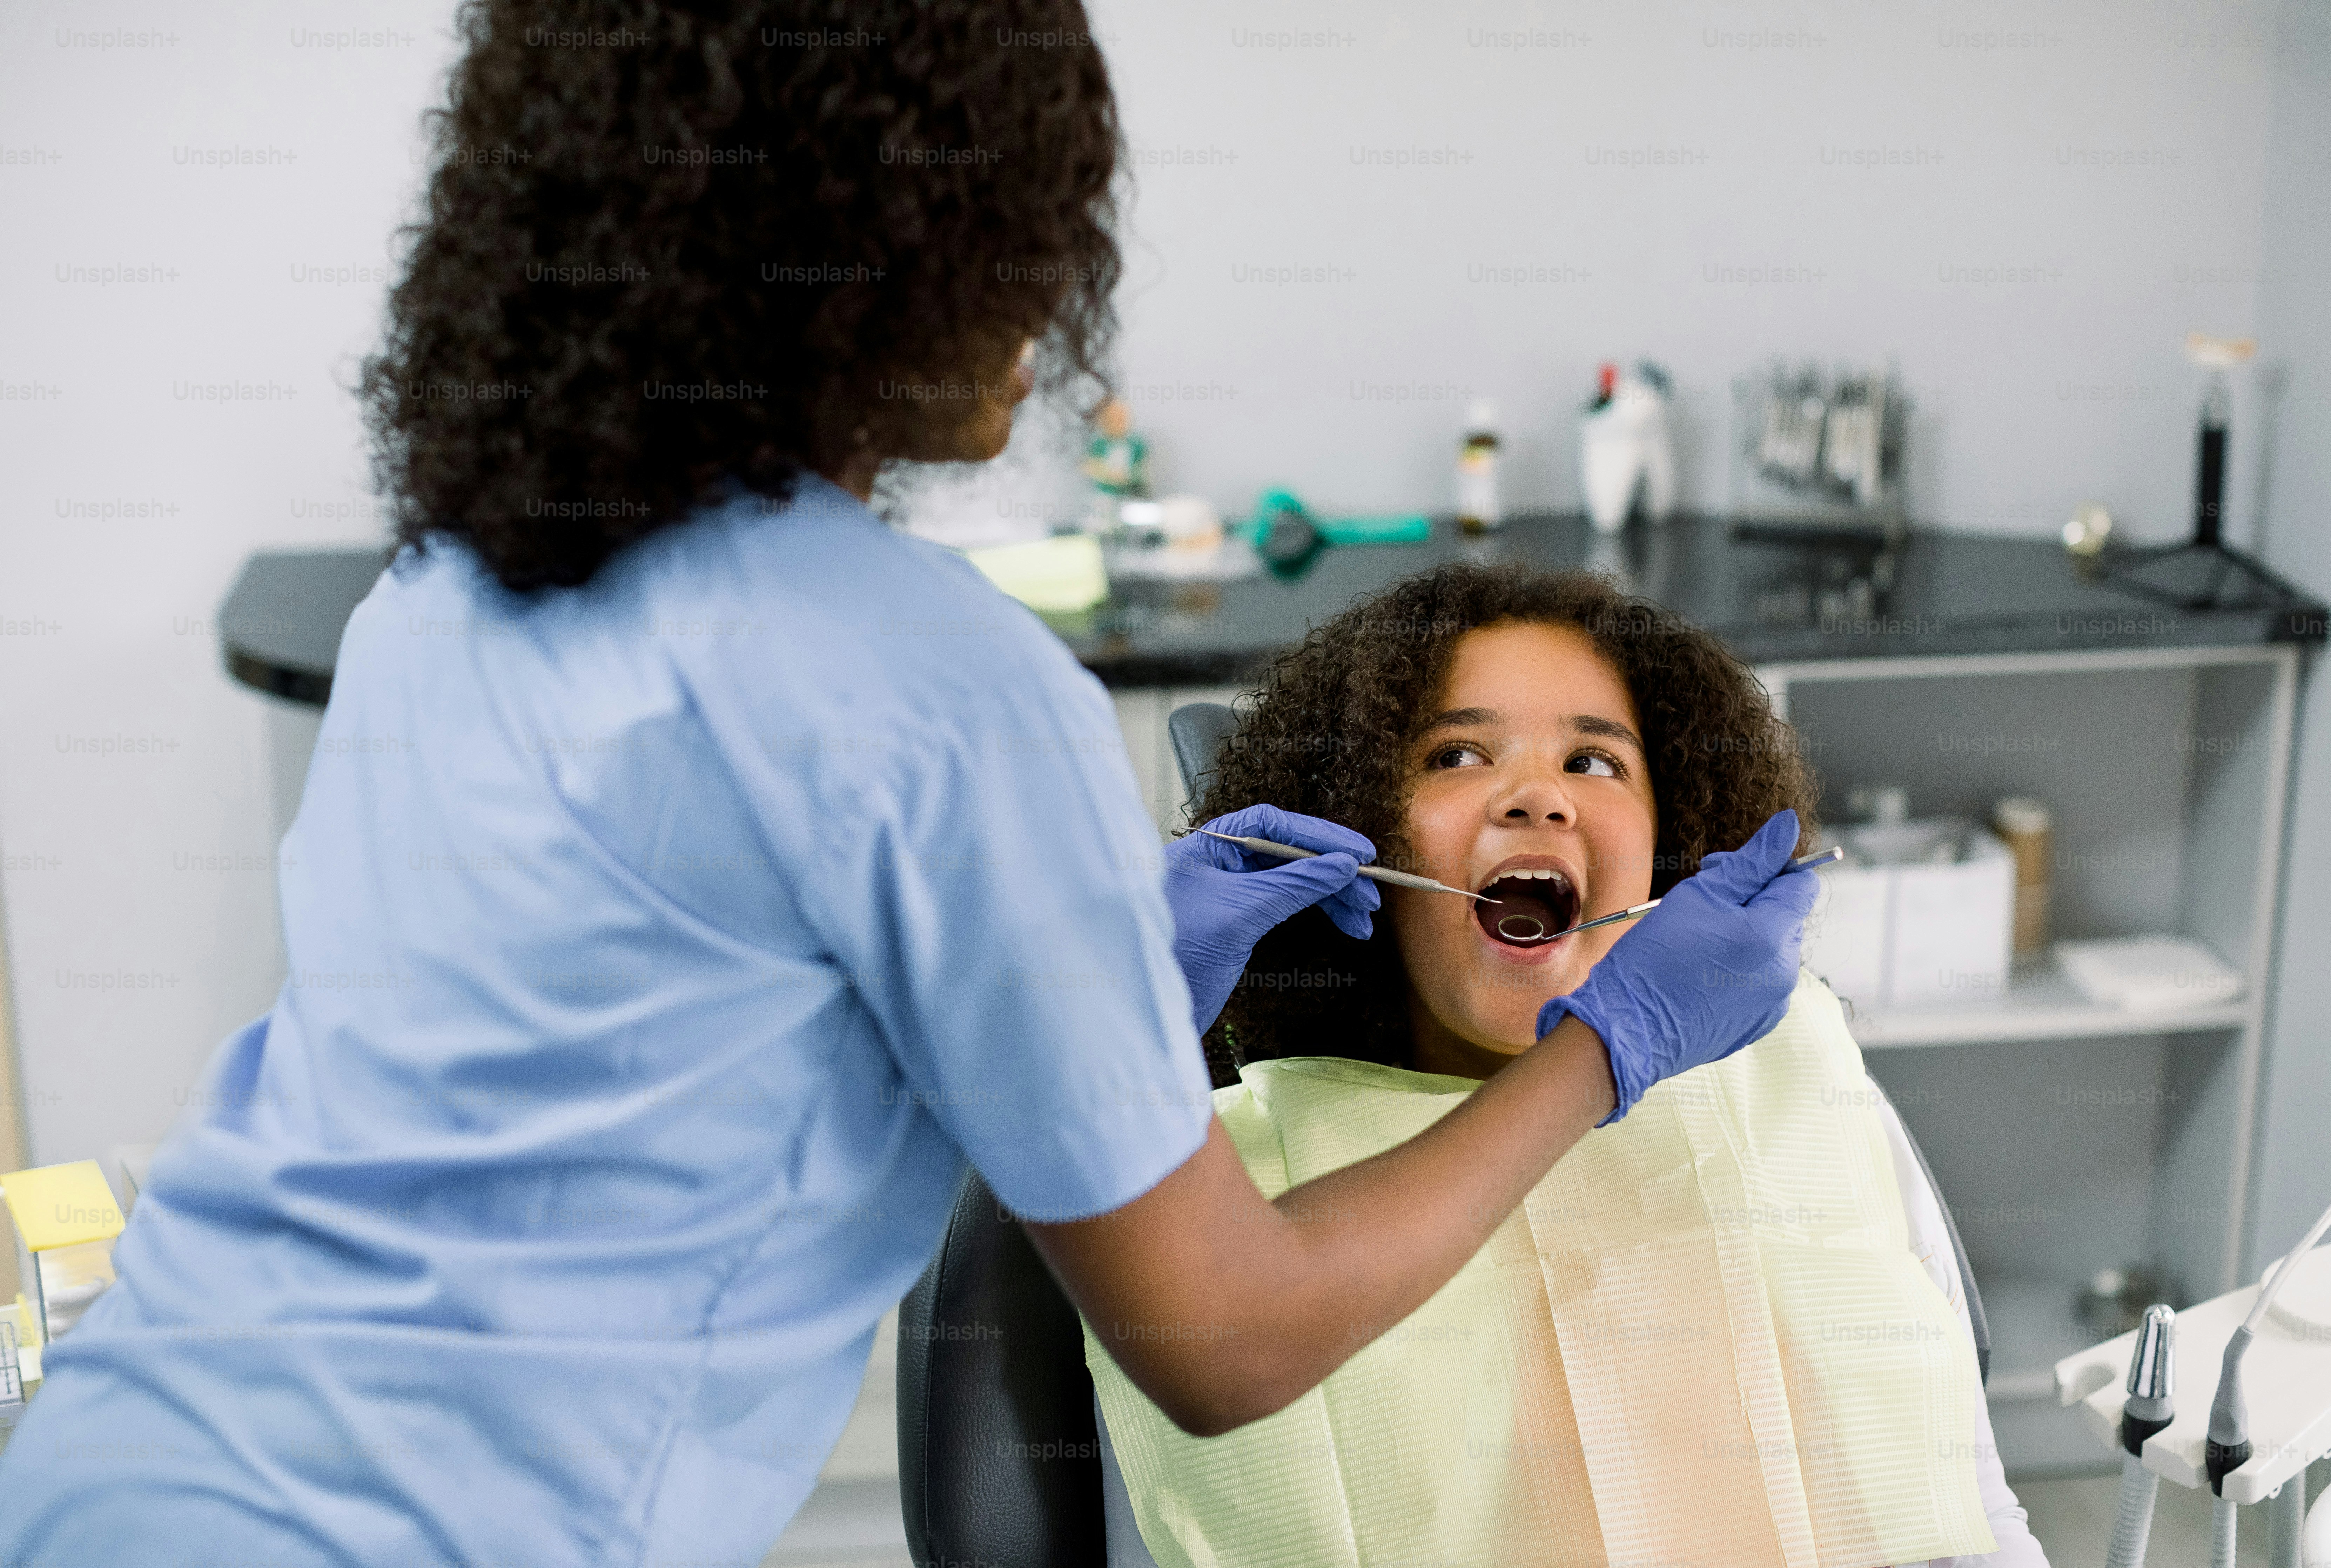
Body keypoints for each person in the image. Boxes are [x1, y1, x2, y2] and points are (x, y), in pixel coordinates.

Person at [0, 5, 1813, 1564]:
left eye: (1592, 755)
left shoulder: (449, 588)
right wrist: (1609, 1045)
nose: (1047, 287)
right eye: (1013, 216)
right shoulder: (935, 688)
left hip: (109, 1469)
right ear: (864, 249)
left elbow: (654, 1092)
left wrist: (1086, 993)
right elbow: (1228, 1334)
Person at [1098, 560, 2045, 1567]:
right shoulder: (1199, 1184)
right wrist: (1105, 1050)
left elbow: (1964, 1506)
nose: (1536, 797)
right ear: (1358, 828)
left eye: (1594, 763)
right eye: (1457, 753)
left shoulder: (1798, 1085)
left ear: (1673, 847)